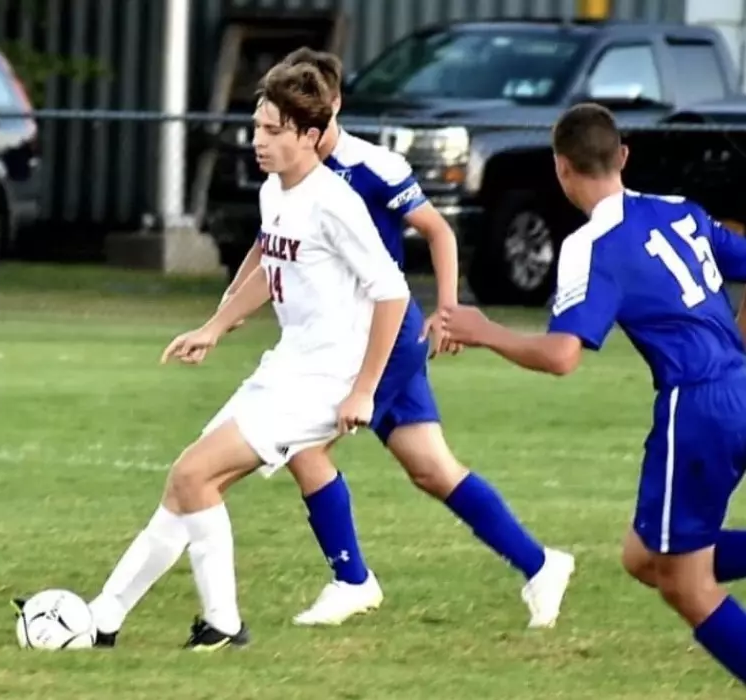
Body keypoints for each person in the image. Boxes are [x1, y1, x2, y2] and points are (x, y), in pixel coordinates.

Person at [220, 47, 573, 628]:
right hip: (345, 338)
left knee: (303, 446)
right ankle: (541, 565)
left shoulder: (370, 166)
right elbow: (268, 243)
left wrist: (450, 308)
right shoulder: (287, 174)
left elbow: (438, 231)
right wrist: (226, 311)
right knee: (431, 467)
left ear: (329, 108)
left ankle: (351, 578)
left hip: (381, 336)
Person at [65, 62, 411, 651]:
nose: (258, 140)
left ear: (309, 134)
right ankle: (104, 617)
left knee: (192, 474)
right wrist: (216, 327)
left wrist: (364, 389)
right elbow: (269, 268)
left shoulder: (336, 203)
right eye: (256, 126)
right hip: (284, 367)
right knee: (188, 489)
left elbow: (393, 292)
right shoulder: (274, 191)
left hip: (323, 381)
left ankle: (223, 624)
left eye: (274, 129)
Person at [441, 102, 746, 685]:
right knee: (642, 557)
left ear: (561, 169)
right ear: (623, 156)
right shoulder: (678, 211)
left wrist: (484, 331)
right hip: (739, 387)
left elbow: (562, 356)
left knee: (687, 585)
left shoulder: (591, 244)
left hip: (699, 408)